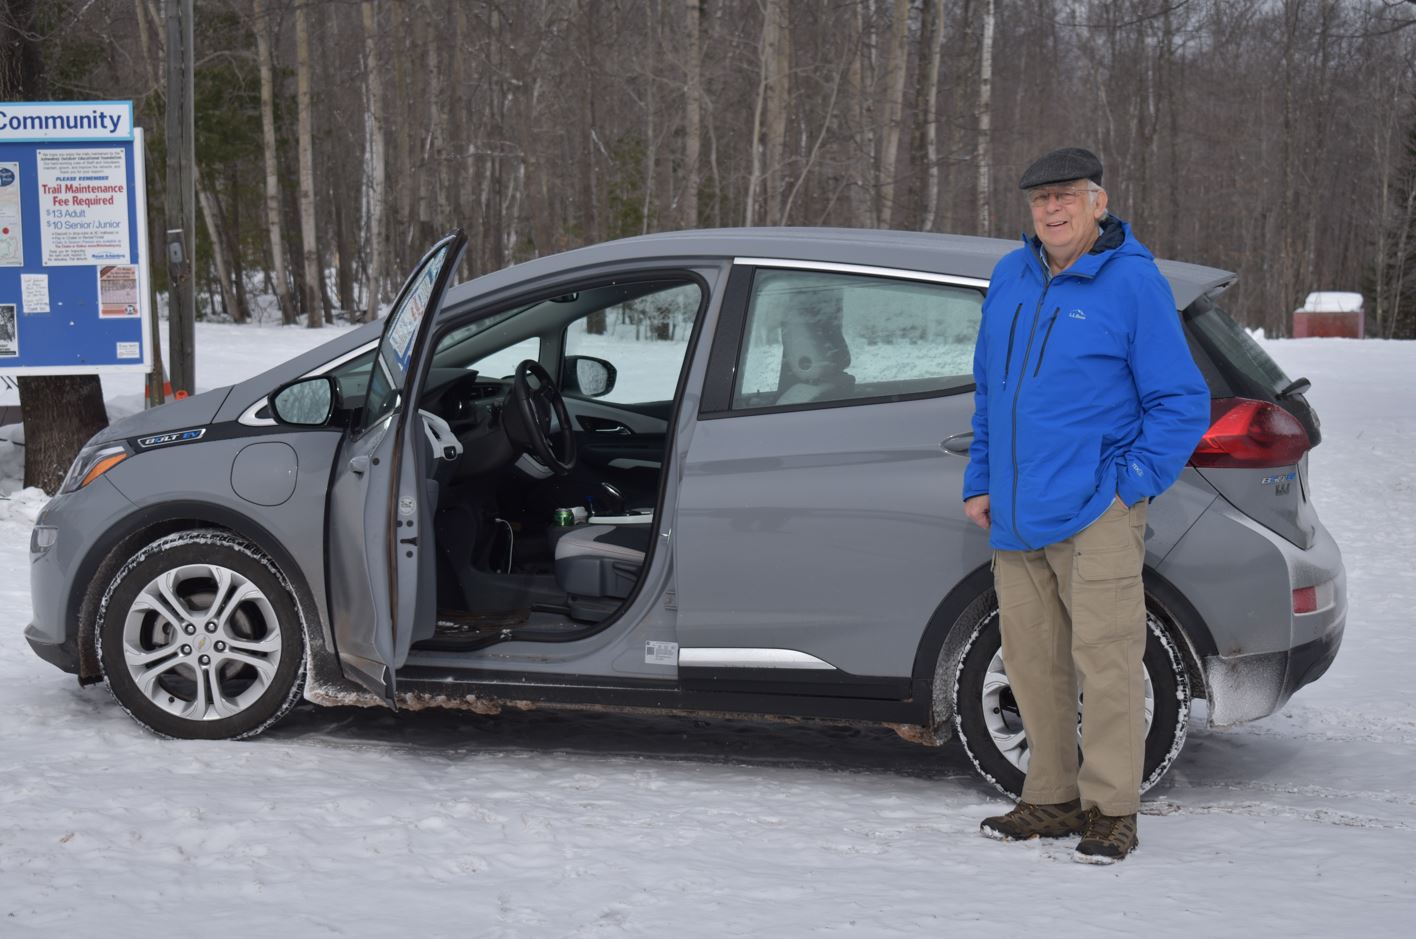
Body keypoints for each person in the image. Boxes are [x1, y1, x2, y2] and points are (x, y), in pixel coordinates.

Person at [962, 147, 1210, 864]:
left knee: (1105, 664)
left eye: (1067, 196)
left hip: (1095, 509)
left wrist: (1128, 485)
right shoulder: (1010, 276)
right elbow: (990, 390)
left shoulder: (1133, 283)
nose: (1052, 209)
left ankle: (1111, 809)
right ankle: (1049, 796)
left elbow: (1180, 401)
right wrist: (981, 478)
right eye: (1040, 199)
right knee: (1033, 663)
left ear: (1099, 202)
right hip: (1014, 512)